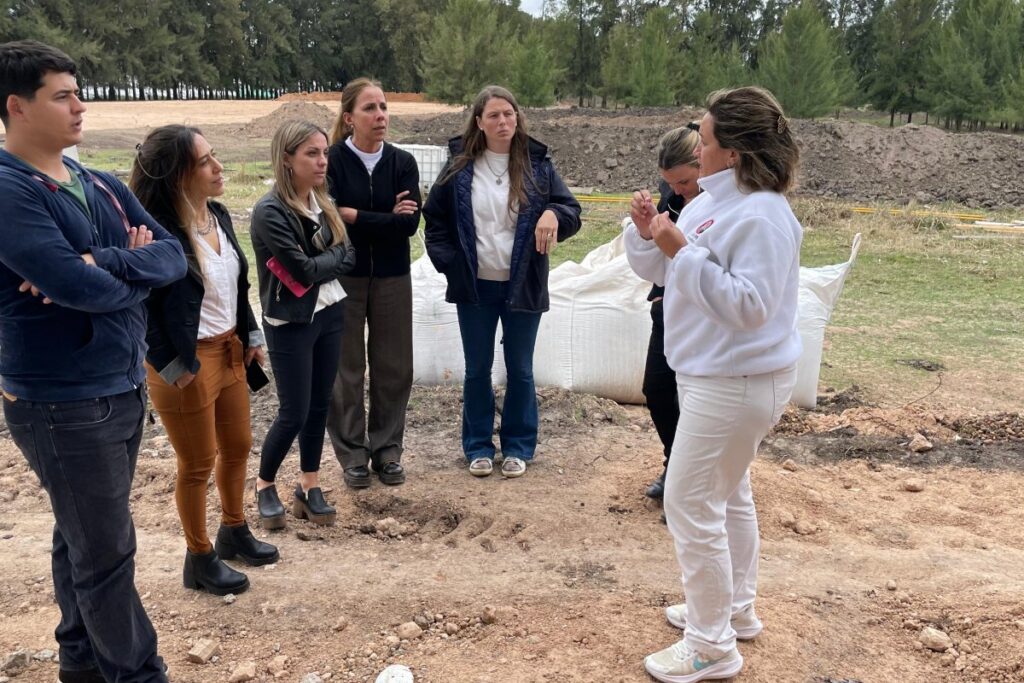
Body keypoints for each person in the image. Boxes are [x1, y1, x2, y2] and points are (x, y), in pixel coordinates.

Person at [0, 40, 185, 683]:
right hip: (63, 399)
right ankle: (137, 673)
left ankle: (80, 662)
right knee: (106, 551)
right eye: (63, 96)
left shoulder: (98, 181)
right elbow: (75, 288)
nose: (80, 106)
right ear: (17, 107)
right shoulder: (9, 191)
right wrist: (123, 273)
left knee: (78, 534)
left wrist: (102, 261)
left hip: (120, 383)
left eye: (78, 93)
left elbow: (172, 257)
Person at [624, 86, 802, 683]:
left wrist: (681, 250)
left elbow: (750, 306)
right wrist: (649, 234)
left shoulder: (764, 215)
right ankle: (734, 610)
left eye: (703, 139)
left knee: (689, 500)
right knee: (728, 495)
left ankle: (711, 645)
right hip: (715, 376)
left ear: (734, 151)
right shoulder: (715, 202)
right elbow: (667, 268)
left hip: (736, 380)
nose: (695, 148)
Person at [130, 125, 279, 596]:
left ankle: (233, 530)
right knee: (196, 464)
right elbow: (142, 306)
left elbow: (237, 284)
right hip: (186, 362)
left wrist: (250, 335)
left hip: (230, 351)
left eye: (214, 156)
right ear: (177, 175)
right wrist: (172, 366)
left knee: (238, 447)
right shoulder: (154, 232)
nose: (218, 167)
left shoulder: (217, 215)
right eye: (204, 162)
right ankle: (198, 558)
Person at [423, 85, 581, 479]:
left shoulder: (537, 166)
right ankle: (478, 446)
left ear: (517, 118)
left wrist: (553, 214)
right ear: (479, 122)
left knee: (520, 369)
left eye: (509, 114)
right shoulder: (460, 168)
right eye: (493, 115)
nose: (503, 121)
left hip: (522, 283)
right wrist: (451, 265)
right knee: (477, 369)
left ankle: (518, 446)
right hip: (475, 286)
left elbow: (571, 209)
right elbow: (435, 219)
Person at [250, 120, 356, 529]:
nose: (322, 161)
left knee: (319, 405)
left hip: (329, 312)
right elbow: (305, 270)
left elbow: (349, 255)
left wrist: (326, 261)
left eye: (324, 152)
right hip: (290, 321)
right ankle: (264, 484)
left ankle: (308, 484)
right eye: (312, 153)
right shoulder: (269, 212)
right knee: (293, 412)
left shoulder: (323, 202)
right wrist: (332, 258)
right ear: (287, 159)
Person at [325, 78, 420, 489]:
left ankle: (387, 450)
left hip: (393, 275)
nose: (380, 115)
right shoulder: (331, 161)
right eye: (370, 108)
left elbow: (409, 225)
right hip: (344, 275)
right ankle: (352, 455)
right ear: (349, 118)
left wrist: (354, 215)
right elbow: (328, 218)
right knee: (345, 368)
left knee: (394, 365)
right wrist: (382, 217)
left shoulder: (403, 163)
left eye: (383, 107)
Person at [623, 124, 702, 500]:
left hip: (708, 316)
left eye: (684, 181)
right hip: (669, 308)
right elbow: (660, 267)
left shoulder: (732, 203)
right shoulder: (674, 196)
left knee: (698, 401)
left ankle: (693, 482)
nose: (677, 190)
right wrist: (646, 230)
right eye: (670, 183)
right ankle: (676, 464)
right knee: (656, 389)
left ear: (704, 162)